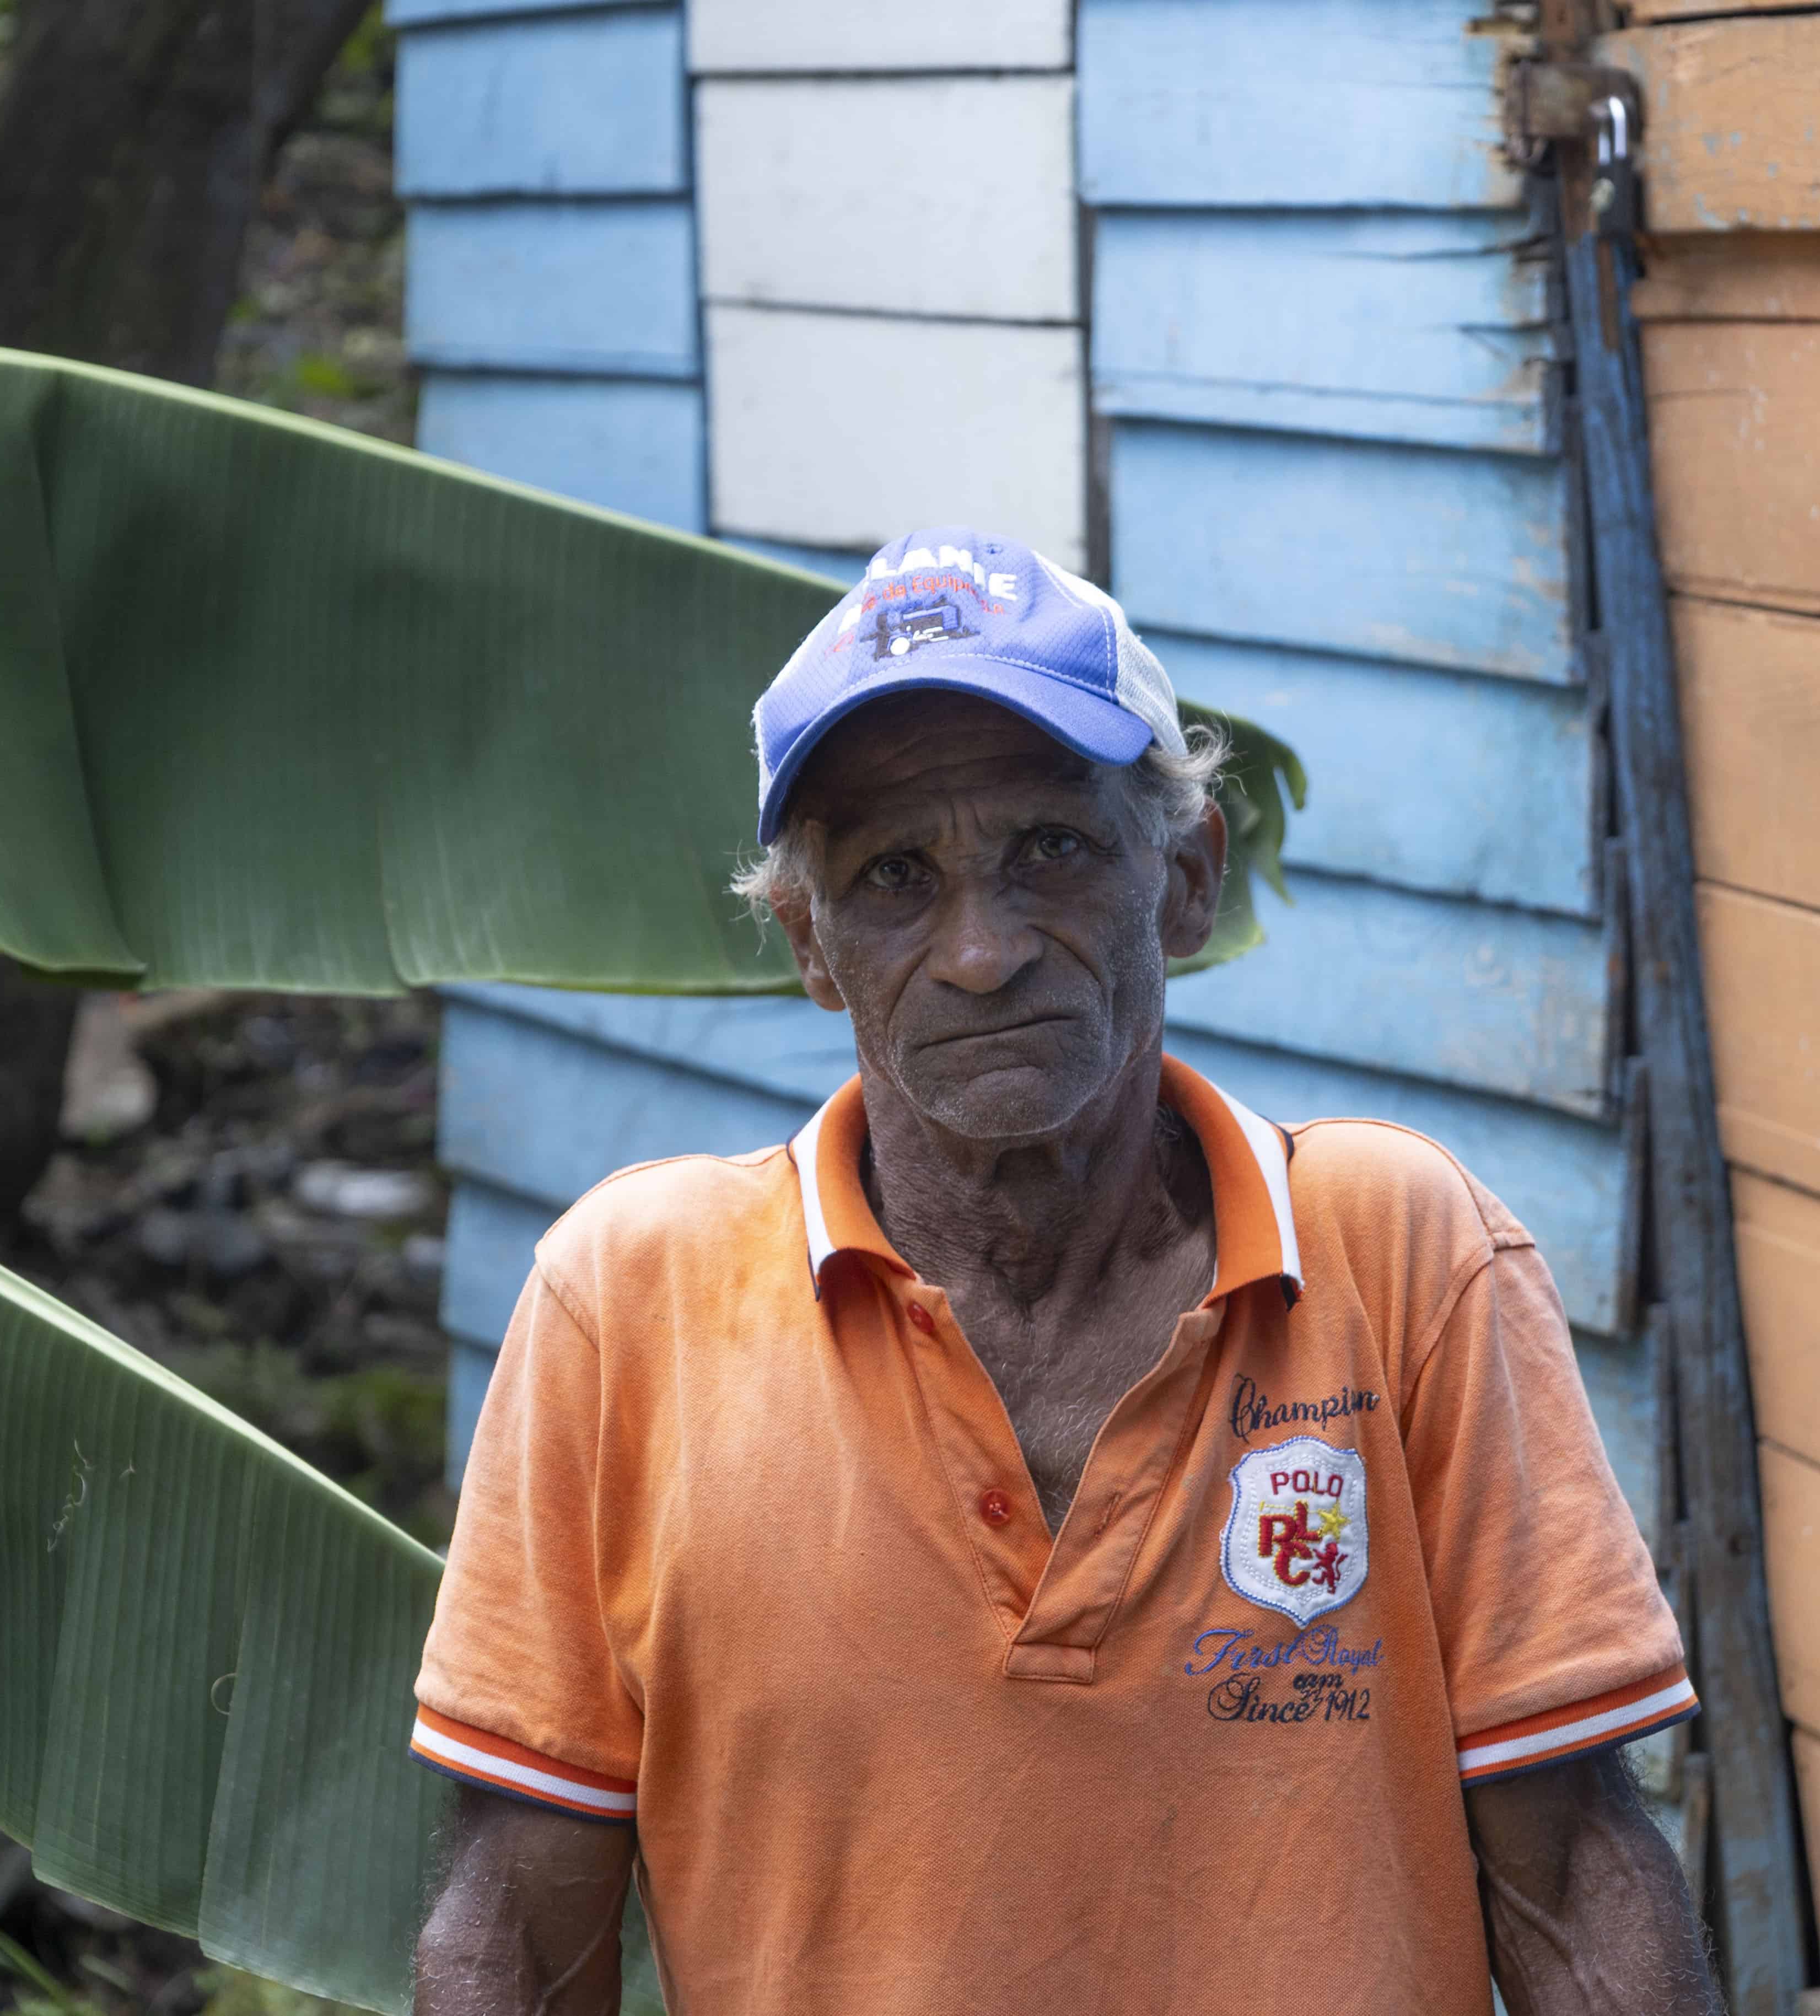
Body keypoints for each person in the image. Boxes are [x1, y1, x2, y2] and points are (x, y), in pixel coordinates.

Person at [408, 528, 1717, 2015]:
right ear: (810, 945)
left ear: (1186, 880)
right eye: (896, 875)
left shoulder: (1403, 1253)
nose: (981, 950)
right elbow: (514, 1932)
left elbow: (1575, 1886)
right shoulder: (632, 1301)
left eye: (1053, 847)